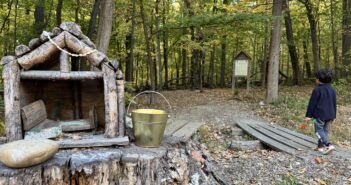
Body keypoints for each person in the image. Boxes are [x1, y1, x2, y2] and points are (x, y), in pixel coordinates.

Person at [305, 69, 336, 154]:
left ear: (319, 79)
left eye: (316, 78)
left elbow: (312, 104)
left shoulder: (317, 90)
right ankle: (320, 147)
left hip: (319, 116)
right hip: (330, 115)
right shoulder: (332, 89)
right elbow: (334, 103)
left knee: (318, 131)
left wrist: (308, 116)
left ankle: (329, 145)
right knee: (324, 131)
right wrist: (334, 116)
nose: (315, 79)